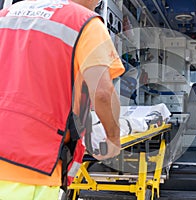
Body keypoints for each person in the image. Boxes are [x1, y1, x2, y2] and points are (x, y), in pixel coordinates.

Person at [0, 0, 125, 199]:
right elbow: (102, 93)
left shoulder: (6, 15)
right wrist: (113, 138)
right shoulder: (85, 23)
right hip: (33, 166)